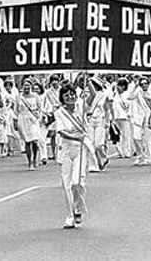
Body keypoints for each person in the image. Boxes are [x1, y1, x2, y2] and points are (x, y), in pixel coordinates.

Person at [54, 82, 93, 229]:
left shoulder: (81, 106)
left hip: (81, 149)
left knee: (77, 182)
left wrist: (88, 79)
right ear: (62, 98)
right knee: (66, 183)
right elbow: (61, 131)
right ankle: (70, 215)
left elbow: (93, 96)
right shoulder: (59, 112)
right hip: (66, 149)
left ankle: (78, 208)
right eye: (66, 95)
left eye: (72, 94)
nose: (70, 97)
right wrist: (76, 137)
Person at [14, 78, 42, 170]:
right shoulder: (19, 97)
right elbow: (16, 111)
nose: (27, 87)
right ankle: (30, 161)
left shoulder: (35, 96)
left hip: (33, 119)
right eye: (25, 85)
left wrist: (39, 117)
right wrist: (15, 122)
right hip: (22, 119)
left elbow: (39, 107)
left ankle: (34, 158)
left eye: (28, 86)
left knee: (34, 141)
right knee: (27, 141)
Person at [129, 76, 151, 165]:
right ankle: (140, 156)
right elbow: (130, 97)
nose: (144, 85)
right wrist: (135, 86)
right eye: (142, 84)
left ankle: (148, 158)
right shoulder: (138, 91)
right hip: (139, 117)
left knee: (147, 139)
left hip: (149, 117)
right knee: (135, 137)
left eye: (146, 83)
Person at [111, 77, 132, 159]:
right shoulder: (115, 94)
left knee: (126, 135)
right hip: (117, 116)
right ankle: (120, 151)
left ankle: (127, 151)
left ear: (123, 86)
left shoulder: (127, 94)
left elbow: (129, 106)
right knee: (118, 135)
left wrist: (129, 114)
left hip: (125, 117)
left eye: (119, 86)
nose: (118, 87)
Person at [43, 74, 61, 160]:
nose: (54, 82)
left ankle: (60, 152)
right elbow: (46, 103)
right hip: (53, 112)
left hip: (62, 112)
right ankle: (53, 153)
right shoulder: (48, 92)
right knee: (53, 134)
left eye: (56, 80)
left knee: (61, 133)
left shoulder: (62, 90)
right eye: (53, 80)